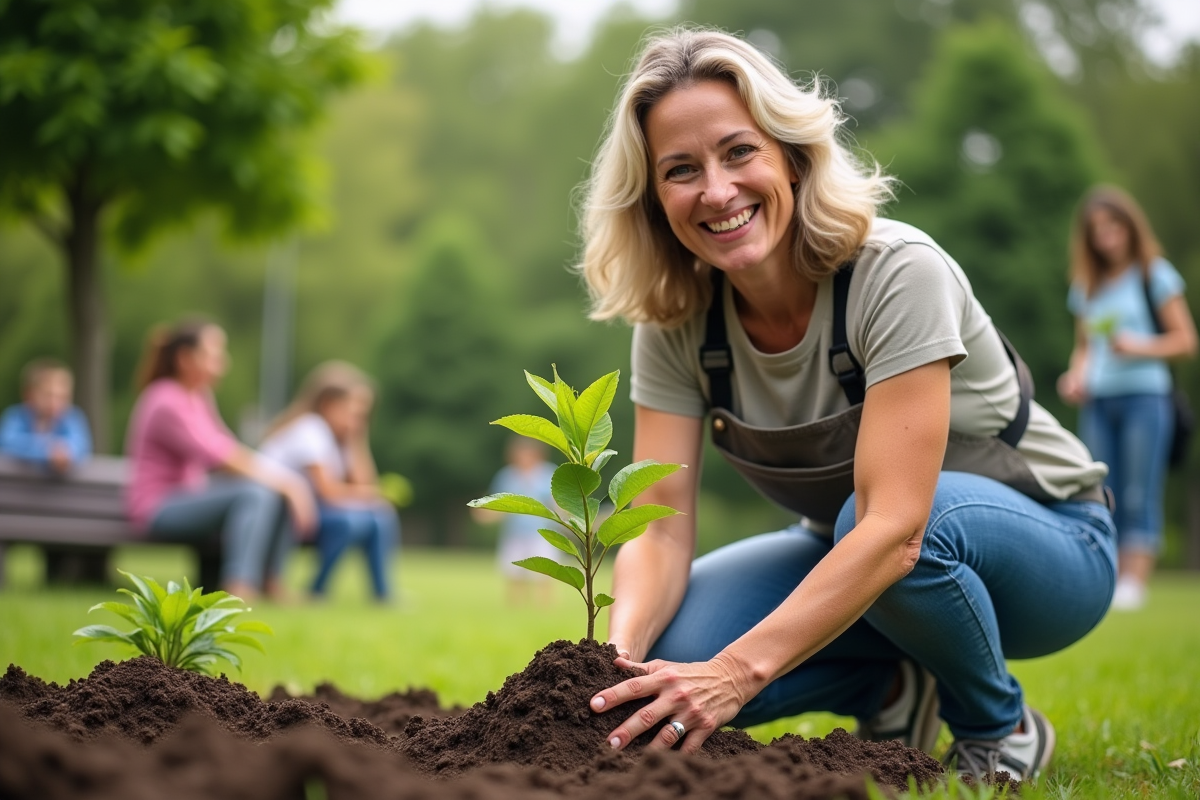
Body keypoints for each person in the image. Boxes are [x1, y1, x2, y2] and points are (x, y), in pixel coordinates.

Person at [572, 28, 1116, 781]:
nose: (717, 191)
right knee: (666, 669)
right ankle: (890, 687)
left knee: (873, 525)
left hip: (1051, 550)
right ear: (654, 196)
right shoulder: (675, 322)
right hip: (864, 561)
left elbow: (897, 530)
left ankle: (1001, 726)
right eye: (681, 169)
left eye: (738, 152)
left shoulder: (895, 273)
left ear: (790, 156)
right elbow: (659, 527)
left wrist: (734, 673)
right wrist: (619, 654)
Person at [1057, 186, 1198, 611]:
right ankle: (1109, 576)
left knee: (1139, 490)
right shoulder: (1088, 285)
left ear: (1129, 226)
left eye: (1113, 226)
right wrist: (1075, 376)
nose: (1106, 237)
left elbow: (1186, 340)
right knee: (1104, 490)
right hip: (1100, 400)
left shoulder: (1155, 275)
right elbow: (1083, 346)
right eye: (1097, 230)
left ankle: (1135, 584)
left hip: (1145, 397)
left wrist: (1138, 346)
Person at [125, 319, 316, 600]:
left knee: (272, 489)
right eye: (213, 355)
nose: (223, 363)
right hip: (159, 507)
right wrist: (288, 483)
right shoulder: (166, 399)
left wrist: (287, 484)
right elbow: (219, 457)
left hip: (190, 497)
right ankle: (240, 585)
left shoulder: (198, 397)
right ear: (185, 359)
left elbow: (228, 447)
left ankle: (273, 584)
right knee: (257, 492)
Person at [260, 362, 398, 602]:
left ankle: (382, 594)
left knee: (380, 515)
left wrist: (357, 436)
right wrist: (373, 494)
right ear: (328, 405)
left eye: (363, 414)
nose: (356, 419)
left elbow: (364, 481)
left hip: (309, 510)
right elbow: (329, 492)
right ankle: (317, 590)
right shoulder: (311, 429)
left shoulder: (337, 437)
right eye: (352, 410)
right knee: (349, 521)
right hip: (278, 512)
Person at [472, 437, 561, 605]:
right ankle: (516, 607)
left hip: (543, 534)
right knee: (514, 573)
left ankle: (544, 608)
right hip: (514, 533)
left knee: (544, 574)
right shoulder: (506, 476)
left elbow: (557, 503)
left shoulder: (549, 474)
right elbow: (499, 505)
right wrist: (484, 514)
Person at [0, 359, 92, 473]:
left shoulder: (72, 418)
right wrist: (47, 450)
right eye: (48, 395)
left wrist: (66, 452)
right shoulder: (15, 416)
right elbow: (8, 442)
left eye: (62, 397)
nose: (55, 403)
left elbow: (81, 445)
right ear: (29, 394)